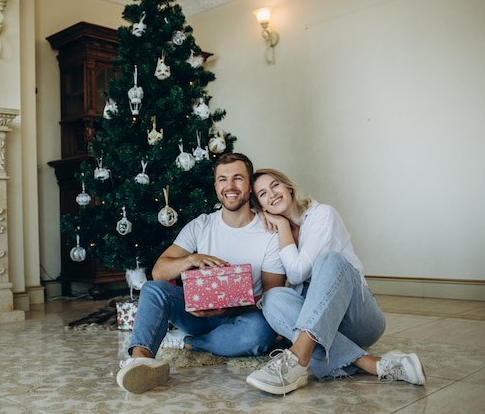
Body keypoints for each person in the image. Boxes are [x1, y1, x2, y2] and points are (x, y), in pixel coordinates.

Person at [116, 153, 287, 394]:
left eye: (238, 178)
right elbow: (158, 272)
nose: (230, 186)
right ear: (216, 186)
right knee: (154, 289)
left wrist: (231, 309)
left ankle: (187, 342)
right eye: (222, 179)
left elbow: (273, 295)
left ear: (249, 185)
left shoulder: (268, 231)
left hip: (246, 317)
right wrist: (191, 259)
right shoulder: (201, 224)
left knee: (260, 336)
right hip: (199, 313)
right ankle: (140, 359)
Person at [245, 168, 426, 396]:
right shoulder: (274, 234)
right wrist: (281, 229)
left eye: (275, 185)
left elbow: (298, 272)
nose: (271, 194)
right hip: (322, 325)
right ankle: (374, 364)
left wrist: (282, 225)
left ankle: (299, 357)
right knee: (272, 299)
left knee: (330, 261)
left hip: (358, 318)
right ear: (262, 207)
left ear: (288, 187)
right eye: (262, 194)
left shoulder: (322, 214)